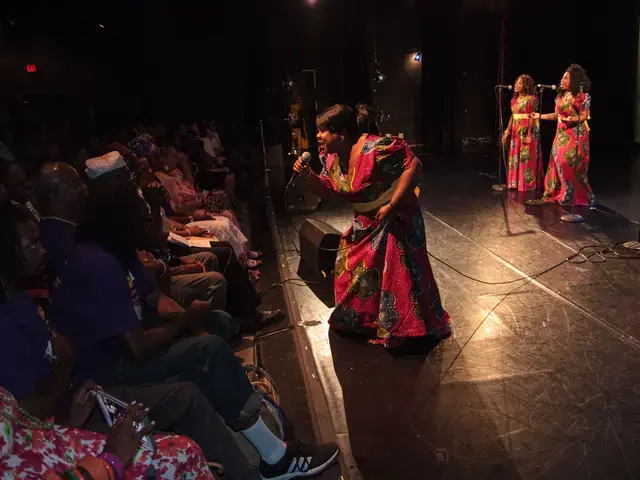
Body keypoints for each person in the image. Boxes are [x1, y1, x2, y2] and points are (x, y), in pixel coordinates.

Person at [35, 161, 340, 479]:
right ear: (121, 224)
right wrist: (186, 321)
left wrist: (184, 322)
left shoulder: (98, 252)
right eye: (140, 222)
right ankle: (275, 458)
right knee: (207, 350)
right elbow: (135, 349)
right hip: (106, 374)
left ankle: (264, 441)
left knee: (210, 337)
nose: (147, 233)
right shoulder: (99, 265)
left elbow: (145, 310)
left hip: (109, 358)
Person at [0, 200, 249, 478]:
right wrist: (67, 367)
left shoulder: (21, 296)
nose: (43, 249)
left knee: (212, 337)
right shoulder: (95, 267)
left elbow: (155, 301)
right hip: (90, 388)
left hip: (80, 395)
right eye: (32, 243)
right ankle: (263, 454)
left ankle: (254, 437)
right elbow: (29, 413)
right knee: (196, 375)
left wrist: (184, 315)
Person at [293, 104, 452, 348]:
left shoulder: (376, 149)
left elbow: (414, 165)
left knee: (396, 275)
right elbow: (327, 190)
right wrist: (308, 175)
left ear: (341, 134)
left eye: (323, 131)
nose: (318, 136)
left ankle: (405, 329)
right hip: (366, 220)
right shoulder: (332, 158)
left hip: (395, 215)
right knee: (354, 270)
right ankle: (367, 320)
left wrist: (394, 205)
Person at [530, 64, 595, 206]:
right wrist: (540, 116)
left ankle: (576, 194)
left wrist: (571, 119)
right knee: (557, 161)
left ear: (574, 80)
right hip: (561, 134)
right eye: (562, 78)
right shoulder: (560, 96)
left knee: (570, 163)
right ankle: (562, 192)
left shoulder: (582, 96)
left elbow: (584, 115)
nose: (562, 80)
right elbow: (557, 115)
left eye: (566, 78)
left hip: (576, 133)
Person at [501, 74, 543, 192]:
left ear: (525, 85)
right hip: (515, 130)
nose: (516, 86)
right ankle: (514, 182)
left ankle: (526, 184)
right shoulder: (514, 100)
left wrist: (529, 134)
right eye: (516, 83)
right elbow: (512, 116)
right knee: (515, 156)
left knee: (526, 157)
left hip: (527, 129)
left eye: (519, 83)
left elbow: (533, 117)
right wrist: (507, 131)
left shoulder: (532, 99)